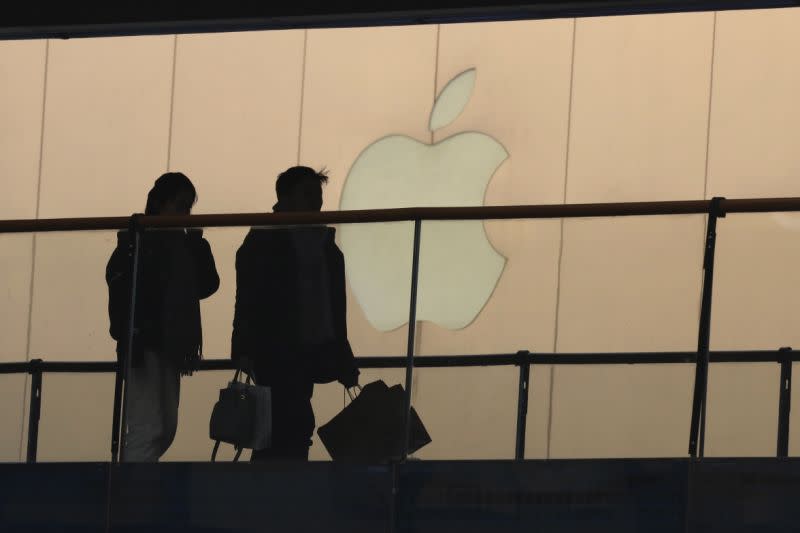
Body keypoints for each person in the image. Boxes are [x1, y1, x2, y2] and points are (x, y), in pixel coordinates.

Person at [232, 166, 359, 462]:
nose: (316, 202)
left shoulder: (314, 243)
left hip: (300, 349)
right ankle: (282, 490)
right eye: (309, 194)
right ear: (287, 198)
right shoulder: (280, 241)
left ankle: (276, 491)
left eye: (317, 195)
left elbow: (331, 308)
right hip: (279, 348)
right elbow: (250, 299)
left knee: (284, 424)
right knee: (290, 422)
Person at [106, 172, 219, 462]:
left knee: (163, 426)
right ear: (160, 204)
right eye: (179, 206)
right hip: (147, 344)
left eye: (187, 208)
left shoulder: (169, 244)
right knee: (151, 425)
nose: (184, 215)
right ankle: (134, 493)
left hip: (167, 344)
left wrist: (195, 241)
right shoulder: (138, 243)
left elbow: (207, 283)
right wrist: (132, 334)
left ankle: (135, 490)